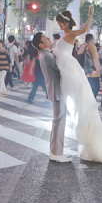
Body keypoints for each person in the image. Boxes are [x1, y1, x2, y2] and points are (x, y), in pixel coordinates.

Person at [53, 7, 102, 164]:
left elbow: (84, 29)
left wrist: (91, 15)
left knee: (81, 105)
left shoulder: (71, 33)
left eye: (60, 23)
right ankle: (90, 146)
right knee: (79, 105)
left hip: (70, 71)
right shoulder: (65, 34)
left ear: (65, 23)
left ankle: (93, 146)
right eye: (58, 23)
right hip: (67, 70)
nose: (59, 25)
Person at [31, 33, 70, 162]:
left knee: (58, 121)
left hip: (56, 90)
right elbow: (62, 68)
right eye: (45, 38)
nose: (48, 38)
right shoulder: (47, 55)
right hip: (56, 90)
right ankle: (56, 153)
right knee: (59, 122)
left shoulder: (46, 54)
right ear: (41, 45)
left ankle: (56, 151)